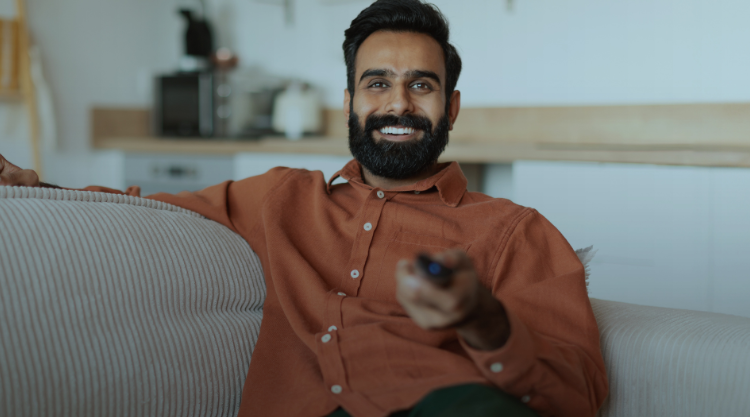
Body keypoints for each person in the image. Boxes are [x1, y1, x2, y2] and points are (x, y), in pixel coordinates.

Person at [0, 1, 608, 416]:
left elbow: (578, 395)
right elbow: (144, 209)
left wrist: (483, 321)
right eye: (377, 84)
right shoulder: (281, 198)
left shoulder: (513, 231)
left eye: (421, 86)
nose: (398, 103)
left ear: (450, 109)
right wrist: (35, 185)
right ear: (349, 101)